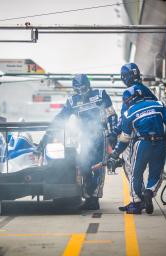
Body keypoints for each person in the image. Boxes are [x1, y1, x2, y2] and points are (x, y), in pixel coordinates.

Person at [40, 74, 117, 210]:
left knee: (98, 167)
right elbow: (60, 118)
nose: (82, 91)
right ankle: (88, 196)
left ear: (88, 85)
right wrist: (47, 134)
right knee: (83, 166)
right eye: (79, 89)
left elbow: (112, 115)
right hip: (85, 137)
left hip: (101, 135)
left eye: (84, 88)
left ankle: (94, 199)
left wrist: (113, 134)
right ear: (75, 89)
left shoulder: (101, 94)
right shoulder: (72, 101)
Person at [108, 86, 166, 214]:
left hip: (142, 144)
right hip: (160, 142)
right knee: (156, 173)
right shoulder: (158, 104)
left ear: (128, 101)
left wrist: (115, 153)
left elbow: (125, 138)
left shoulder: (129, 113)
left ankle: (136, 203)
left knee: (135, 174)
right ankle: (149, 191)